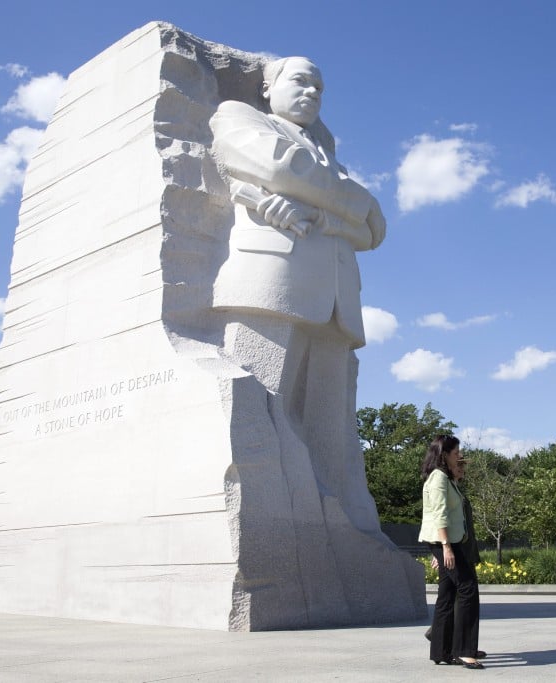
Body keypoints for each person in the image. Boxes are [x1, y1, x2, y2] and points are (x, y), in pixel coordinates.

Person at [208, 57, 386, 531]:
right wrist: (354, 201)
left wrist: (333, 207)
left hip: (336, 301)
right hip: (271, 283)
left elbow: (374, 230)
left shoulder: (330, 160)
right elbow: (278, 165)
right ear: (268, 88)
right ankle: (267, 525)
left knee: (332, 434)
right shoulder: (239, 115)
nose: (312, 93)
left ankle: (337, 531)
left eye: (320, 87)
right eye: (300, 81)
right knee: (258, 410)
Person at [419, 435, 483, 669]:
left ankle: (441, 650)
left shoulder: (445, 479)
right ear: (444, 454)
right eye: (456, 453)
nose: (459, 456)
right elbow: (439, 514)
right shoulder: (438, 478)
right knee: (467, 588)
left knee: (446, 594)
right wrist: (445, 547)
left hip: (448, 541)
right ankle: (464, 650)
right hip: (445, 542)